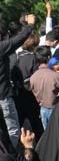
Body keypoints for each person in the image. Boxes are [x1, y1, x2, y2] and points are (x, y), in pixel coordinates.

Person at [0, 12, 35, 146]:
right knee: (12, 130)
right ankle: (14, 155)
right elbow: (19, 39)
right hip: (3, 97)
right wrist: (30, 25)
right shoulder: (2, 47)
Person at [29, 47, 59, 129]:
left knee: (48, 134)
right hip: (56, 109)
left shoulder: (33, 77)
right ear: (49, 57)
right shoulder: (55, 75)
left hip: (43, 110)